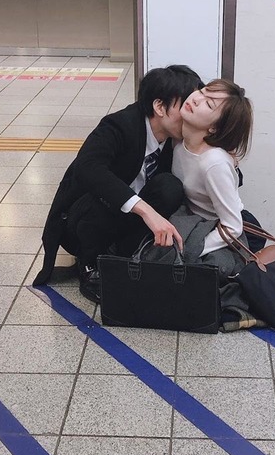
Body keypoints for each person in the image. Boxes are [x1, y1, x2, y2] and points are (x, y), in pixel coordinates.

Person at [33, 65, 204, 301]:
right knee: (107, 192)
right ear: (159, 107)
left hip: (123, 223)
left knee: (170, 187)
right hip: (82, 222)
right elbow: (87, 168)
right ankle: (89, 263)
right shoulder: (119, 125)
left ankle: (122, 255)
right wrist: (145, 211)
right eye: (186, 106)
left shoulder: (175, 139)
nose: (191, 115)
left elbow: (207, 169)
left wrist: (227, 157)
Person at [172, 79, 253, 259]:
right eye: (202, 91)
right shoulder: (178, 141)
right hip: (189, 222)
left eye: (209, 104)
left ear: (214, 127)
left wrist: (189, 252)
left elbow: (233, 227)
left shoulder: (214, 163)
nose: (196, 99)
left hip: (213, 230)